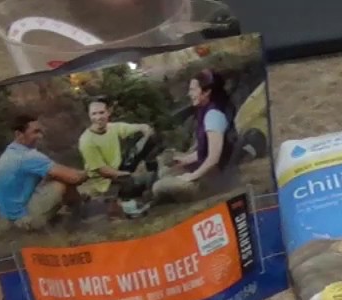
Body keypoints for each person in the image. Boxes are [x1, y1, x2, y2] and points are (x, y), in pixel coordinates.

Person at [153, 69, 239, 202]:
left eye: (193, 90)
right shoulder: (206, 111)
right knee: (166, 170)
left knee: (159, 186)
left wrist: (192, 176)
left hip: (213, 178)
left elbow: (213, 159)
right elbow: (205, 151)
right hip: (207, 171)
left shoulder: (213, 115)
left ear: (206, 92)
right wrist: (186, 160)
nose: (189, 94)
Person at [0, 114, 87, 230]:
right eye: (35, 132)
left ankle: (75, 208)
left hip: (10, 216)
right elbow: (74, 177)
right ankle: (77, 216)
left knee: (54, 176)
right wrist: (95, 171)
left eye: (40, 131)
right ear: (19, 134)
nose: (40, 136)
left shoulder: (12, 151)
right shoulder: (27, 156)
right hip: (23, 220)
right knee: (63, 182)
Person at [77, 97, 156, 200]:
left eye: (101, 113)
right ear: (89, 115)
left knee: (151, 139)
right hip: (108, 181)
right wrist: (130, 175)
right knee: (143, 181)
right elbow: (104, 171)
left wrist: (146, 132)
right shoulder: (86, 141)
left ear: (108, 112)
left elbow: (142, 127)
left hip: (120, 167)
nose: (98, 117)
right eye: (94, 114)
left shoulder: (112, 127)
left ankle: (150, 174)